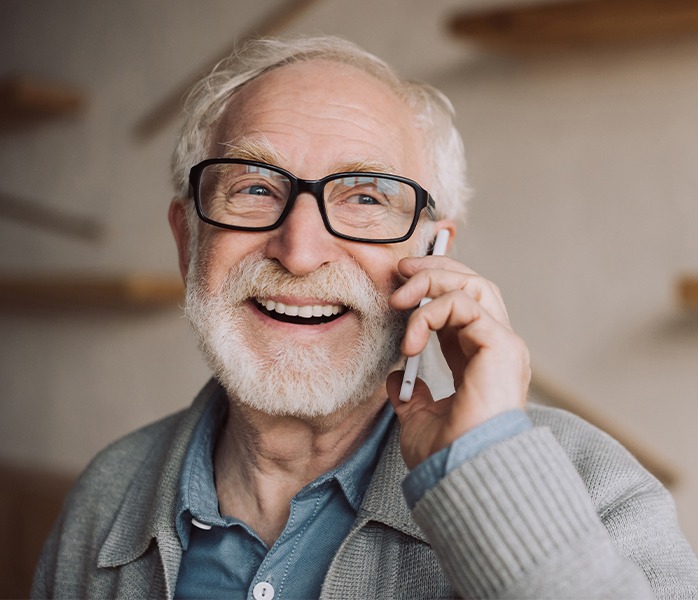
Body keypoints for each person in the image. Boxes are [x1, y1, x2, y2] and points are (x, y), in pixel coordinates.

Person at [32, 35, 697, 599]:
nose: (299, 251)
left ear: (434, 255)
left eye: (364, 199)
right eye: (256, 188)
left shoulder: (594, 484)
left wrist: (489, 478)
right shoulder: (106, 495)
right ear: (188, 243)